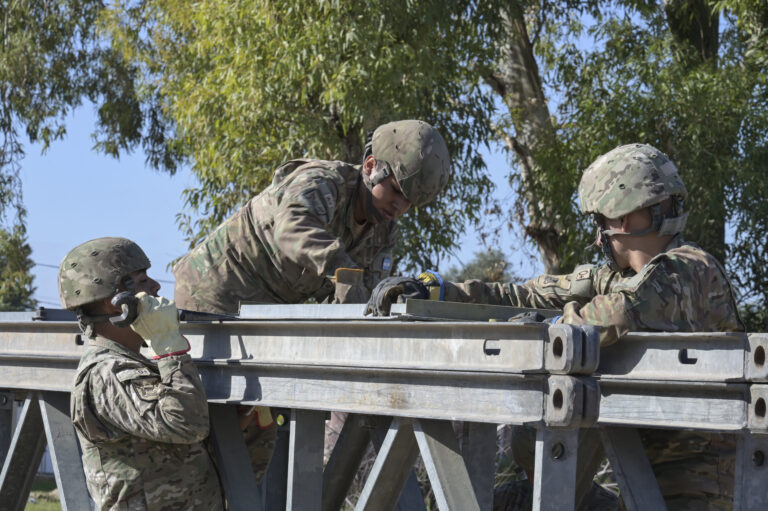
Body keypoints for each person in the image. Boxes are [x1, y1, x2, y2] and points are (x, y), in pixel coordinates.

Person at [368, 143, 744, 509]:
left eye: (600, 223)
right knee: (519, 486)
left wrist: (538, 332)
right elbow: (530, 295)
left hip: (701, 490)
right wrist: (441, 291)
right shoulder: (627, 278)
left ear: (623, 219)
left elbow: (610, 318)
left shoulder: (688, 270)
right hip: (646, 482)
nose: (599, 237)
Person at [172, 119, 451, 478]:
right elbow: (294, 227)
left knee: (256, 443)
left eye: (409, 201)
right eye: (396, 192)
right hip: (211, 298)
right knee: (201, 432)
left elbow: (368, 296)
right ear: (370, 167)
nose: (399, 207)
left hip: (264, 316)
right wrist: (344, 273)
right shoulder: (323, 182)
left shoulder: (382, 231)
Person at [61, 237, 224, 510]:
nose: (156, 286)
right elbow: (187, 423)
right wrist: (167, 342)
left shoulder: (132, 364)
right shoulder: (107, 373)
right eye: (142, 280)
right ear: (118, 302)